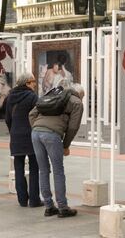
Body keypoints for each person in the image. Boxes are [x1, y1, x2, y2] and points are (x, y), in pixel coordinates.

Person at [29, 83, 84, 218]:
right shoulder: (77, 102)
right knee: (58, 171)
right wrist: (66, 145)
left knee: (43, 170)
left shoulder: (55, 94)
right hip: (52, 135)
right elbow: (73, 127)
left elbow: (32, 114)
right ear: (80, 94)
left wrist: (37, 127)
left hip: (35, 133)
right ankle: (63, 207)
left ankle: (49, 206)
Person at [5, 73, 43, 208]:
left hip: (16, 136)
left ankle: (22, 199)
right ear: (27, 83)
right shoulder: (32, 97)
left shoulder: (10, 97)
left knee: (18, 168)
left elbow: (8, 119)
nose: (34, 84)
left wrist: (13, 131)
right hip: (31, 136)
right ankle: (34, 200)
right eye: (33, 82)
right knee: (34, 168)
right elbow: (38, 116)